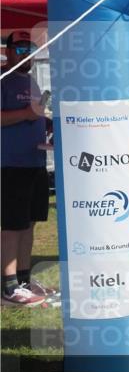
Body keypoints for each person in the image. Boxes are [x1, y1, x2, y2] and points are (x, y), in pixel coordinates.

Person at [1, 32, 57, 306]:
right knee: (11, 226)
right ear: (8, 51)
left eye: (31, 47)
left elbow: (33, 113)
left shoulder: (31, 80)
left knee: (29, 223)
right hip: (9, 164)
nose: (27, 53)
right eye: (20, 47)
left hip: (35, 162)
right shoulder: (3, 78)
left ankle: (22, 280)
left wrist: (47, 124)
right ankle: (9, 286)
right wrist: (27, 115)